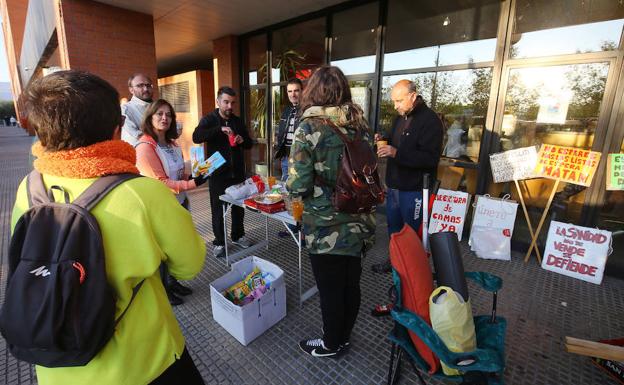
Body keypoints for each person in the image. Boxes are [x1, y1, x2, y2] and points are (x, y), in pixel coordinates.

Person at [13, 70, 206, 384]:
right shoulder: (144, 192)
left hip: (57, 365)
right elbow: (190, 265)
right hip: (145, 361)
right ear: (117, 130)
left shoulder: (29, 187)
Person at [288, 65, 376, 358]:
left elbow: (298, 184)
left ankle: (331, 343)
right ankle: (344, 336)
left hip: (325, 225)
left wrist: (294, 197)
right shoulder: (361, 126)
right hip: (359, 219)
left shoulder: (308, 128)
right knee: (351, 284)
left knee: (330, 290)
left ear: (314, 91)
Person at [135, 99, 208, 306]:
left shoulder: (172, 143)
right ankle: (164, 289)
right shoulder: (144, 147)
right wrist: (193, 184)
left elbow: (179, 173)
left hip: (180, 203)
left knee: (174, 247)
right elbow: (161, 183)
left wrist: (194, 173)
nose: (164, 118)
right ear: (150, 117)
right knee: (162, 249)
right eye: (159, 114)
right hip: (161, 207)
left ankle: (173, 281)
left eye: (168, 114)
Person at [371, 80, 443, 274]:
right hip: (394, 186)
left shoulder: (431, 121)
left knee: (411, 234)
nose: (396, 106)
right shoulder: (400, 117)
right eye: (394, 101)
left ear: (413, 96)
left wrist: (395, 153)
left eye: (399, 101)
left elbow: (430, 159)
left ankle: (411, 272)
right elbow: (392, 139)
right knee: (393, 230)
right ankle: (394, 262)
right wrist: (381, 139)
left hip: (414, 190)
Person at [192, 86, 253, 258]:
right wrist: (218, 130)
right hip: (218, 173)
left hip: (237, 173)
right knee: (218, 210)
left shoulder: (237, 121)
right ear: (218, 101)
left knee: (238, 207)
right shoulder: (209, 119)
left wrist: (242, 140)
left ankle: (238, 236)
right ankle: (219, 242)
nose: (229, 106)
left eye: (232, 103)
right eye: (226, 102)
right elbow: (196, 136)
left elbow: (249, 143)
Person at [274, 78, 302, 181]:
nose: (293, 94)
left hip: (299, 157)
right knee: (285, 183)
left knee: (298, 185)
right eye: (290, 91)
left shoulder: (307, 110)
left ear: (302, 91)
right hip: (285, 155)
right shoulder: (286, 110)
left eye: (296, 90)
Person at [121, 73, 154, 146]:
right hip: (138, 154)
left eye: (148, 85)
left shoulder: (159, 107)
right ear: (131, 90)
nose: (145, 89)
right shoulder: (126, 110)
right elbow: (138, 136)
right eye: (140, 86)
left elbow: (175, 131)